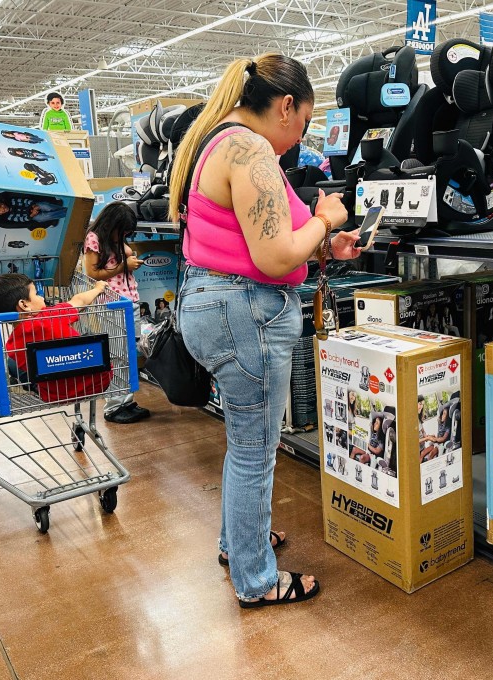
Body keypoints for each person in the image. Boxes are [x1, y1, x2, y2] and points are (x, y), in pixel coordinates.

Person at [170, 53, 360, 608]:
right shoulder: (249, 149)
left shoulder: (220, 140)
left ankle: (240, 542)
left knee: (245, 444)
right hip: (244, 313)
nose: (301, 134)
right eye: (303, 121)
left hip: (221, 306)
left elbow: (259, 238)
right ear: (285, 106)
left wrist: (324, 242)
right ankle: (256, 580)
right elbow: (276, 256)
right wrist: (326, 219)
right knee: (256, 450)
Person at [0, 273, 112, 403]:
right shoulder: (51, 315)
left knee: (13, 364)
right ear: (24, 305)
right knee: (88, 339)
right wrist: (97, 288)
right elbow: (79, 301)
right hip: (99, 383)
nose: (41, 297)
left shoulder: (12, 346)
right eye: (36, 294)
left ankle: (24, 385)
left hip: (55, 395)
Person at [83, 202, 151, 424]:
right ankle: (113, 407)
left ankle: (126, 400)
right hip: (111, 304)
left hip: (129, 300)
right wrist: (125, 266)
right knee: (117, 355)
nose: (123, 235)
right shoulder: (94, 238)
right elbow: (93, 273)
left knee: (129, 353)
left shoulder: (115, 237)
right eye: (122, 231)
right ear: (111, 225)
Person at [0, 192, 68, 229]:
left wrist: (33, 205)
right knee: (45, 217)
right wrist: (31, 215)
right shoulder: (8, 218)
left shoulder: (10, 199)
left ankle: (65, 210)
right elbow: (21, 221)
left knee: (46, 206)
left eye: (0, 206)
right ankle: (66, 212)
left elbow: (25, 199)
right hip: (31, 217)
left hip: (34, 205)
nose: (2, 209)